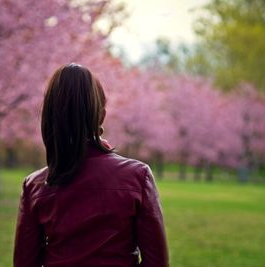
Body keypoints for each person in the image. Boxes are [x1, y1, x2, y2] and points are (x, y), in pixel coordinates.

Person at [13, 63, 169, 267]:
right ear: (101, 116)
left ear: (49, 118)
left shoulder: (35, 185)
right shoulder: (138, 176)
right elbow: (157, 263)